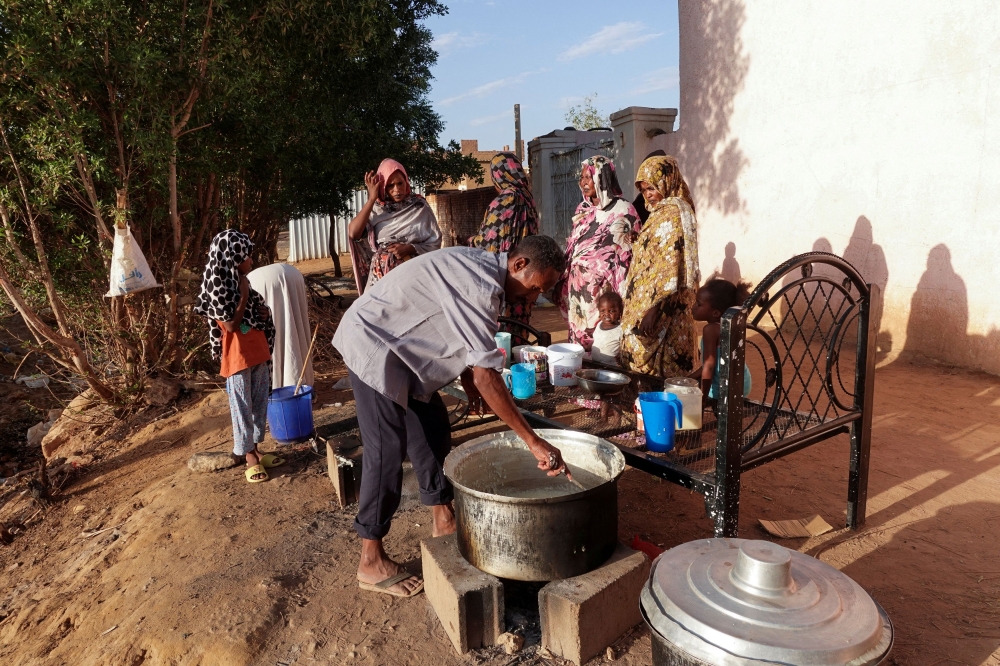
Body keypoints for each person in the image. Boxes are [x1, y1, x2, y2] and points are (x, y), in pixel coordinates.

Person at [332, 235, 571, 598]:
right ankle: (370, 557)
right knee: (386, 449)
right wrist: (532, 440)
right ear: (519, 265)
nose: (533, 297)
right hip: (375, 343)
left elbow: (458, 333)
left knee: (433, 428)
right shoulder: (478, 284)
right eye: (536, 288)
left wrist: (467, 378)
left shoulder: (484, 274)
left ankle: (443, 518)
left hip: (406, 354)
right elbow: (486, 374)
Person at [194, 230, 285, 483]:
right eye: (248, 255)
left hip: (256, 349)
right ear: (233, 255)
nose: (251, 261)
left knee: (258, 401)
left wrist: (262, 312)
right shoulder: (218, 285)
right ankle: (248, 455)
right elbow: (231, 325)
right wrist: (244, 296)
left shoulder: (237, 279)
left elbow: (255, 311)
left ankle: (256, 448)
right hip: (236, 355)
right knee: (241, 406)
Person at [619, 155, 700, 378]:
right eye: (644, 190)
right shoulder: (660, 213)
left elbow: (673, 264)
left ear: (667, 181)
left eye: (652, 187)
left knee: (664, 372)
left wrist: (655, 309)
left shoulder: (675, 212)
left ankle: (661, 412)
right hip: (647, 304)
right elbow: (657, 254)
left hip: (664, 309)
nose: (648, 194)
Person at [555, 155, 641, 350]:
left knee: (602, 339)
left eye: (589, 177)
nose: (583, 183)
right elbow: (573, 244)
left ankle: (601, 376)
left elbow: (629, 255)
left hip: (603, 291)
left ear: (603, 177)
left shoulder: (624, 211)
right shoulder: (583, 209)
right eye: (582, 178)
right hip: (577, 290)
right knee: (578, 341)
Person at [348, 158, 442, 292]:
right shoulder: (375, 209)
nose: (397, 190)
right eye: (390, 185)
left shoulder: (419, 206)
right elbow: (353, 233)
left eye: (400, 183)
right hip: (382, 277)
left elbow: (435, 241)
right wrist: (371, 199)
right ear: (383, 187)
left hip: (414, 276)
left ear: (406, 182)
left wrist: (410, 248)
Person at [470, 152, 539, 324]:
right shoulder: (528, 200)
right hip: (524, 280)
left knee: (500, 337)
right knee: (519, 332)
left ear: (497, 175)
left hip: (502, 280)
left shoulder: (503, 201)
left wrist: (471, 241)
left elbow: (487, 246)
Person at [247, 262, 313, 391]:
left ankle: (277, 385)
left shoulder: (247, 282)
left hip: (264, 282)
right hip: (293, 275)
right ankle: (300, 382)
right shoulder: (292, 272)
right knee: (296, 324)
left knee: (274, 331)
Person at [690, 277, 754, 407]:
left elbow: (709, 366)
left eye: (698, 304)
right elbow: (715, 362)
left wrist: (702, 399)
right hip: (742, 381)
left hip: (727, 386)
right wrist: (689, 377)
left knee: (720, 417)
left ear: (715, 313)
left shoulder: (710, 330)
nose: (693, 307)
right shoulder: (729, 324)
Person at [590, 292, 623, 366]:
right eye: (603, 311)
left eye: (611, 311)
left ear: (619, 311)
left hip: (612, 368)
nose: (606, 314)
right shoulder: (599, 325)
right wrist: (587, 347)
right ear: (598, 310)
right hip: (595, 364)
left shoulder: (620, 330)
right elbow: (597, 340)